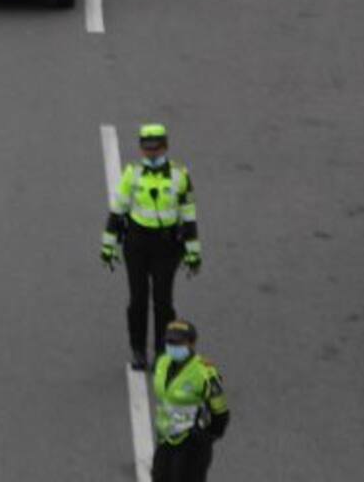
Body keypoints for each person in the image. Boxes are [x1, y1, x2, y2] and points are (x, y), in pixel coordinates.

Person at [100, 123, 201, 371]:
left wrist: (193, 252)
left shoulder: (180, 175)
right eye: (147, 150)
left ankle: (162, 350)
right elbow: (117, 211)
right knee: (138, 299)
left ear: (165, 147)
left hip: (166, 245)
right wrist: (108, 246)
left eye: (156, 149)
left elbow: (188, 216)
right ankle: (137, 350)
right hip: (137, 243)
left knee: (163, 300)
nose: (151, 154)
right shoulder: (132, 174)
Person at [152, 320, 229, 482]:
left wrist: (204, 437)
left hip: (191, 443)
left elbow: (220, 413)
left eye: (178, 342)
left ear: (192, 344)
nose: (173, 346)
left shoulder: (204, 373)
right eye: (170, 341)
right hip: (166, 439)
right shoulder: (162, 362)